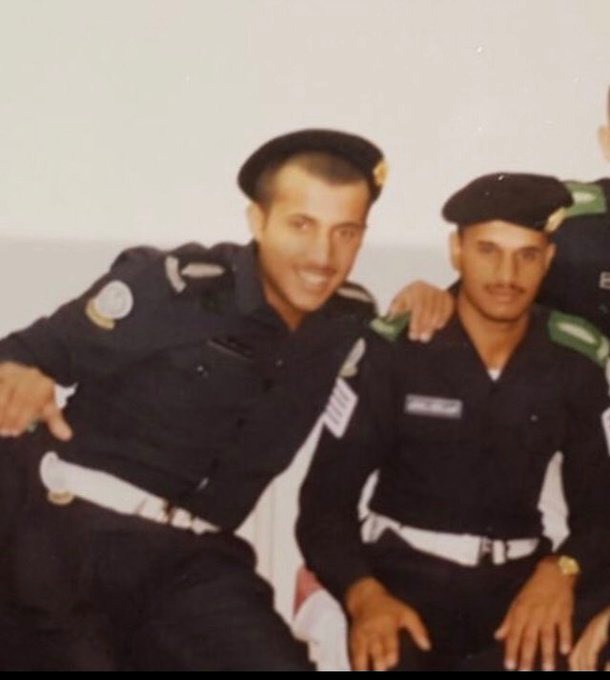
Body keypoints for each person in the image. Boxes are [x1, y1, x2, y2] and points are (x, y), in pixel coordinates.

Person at [0, 128, 450, 670]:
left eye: (345, 233)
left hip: (194, 567)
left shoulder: (347, 322)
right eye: (301, 225)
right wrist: (19, 374)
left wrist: (435, 294)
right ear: (258, 221)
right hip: (76, 537)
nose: (322, 256)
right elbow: (20, 355)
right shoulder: (175, 287)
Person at [297, 172, 610, 671]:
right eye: (488, 251)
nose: (507, 275)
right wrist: (363, 595)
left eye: (527, 256)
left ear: (548, 259)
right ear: (456, 251)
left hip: (517, 590)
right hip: (401, 580)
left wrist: (561, 568)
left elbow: (598, 511)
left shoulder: (570, 362)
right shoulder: (396, 352)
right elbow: (323, 506)